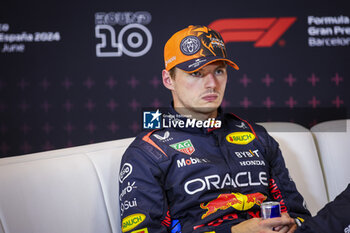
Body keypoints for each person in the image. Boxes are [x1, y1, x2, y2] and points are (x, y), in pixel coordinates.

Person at [118, 25, 311, 233]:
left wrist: (293, 225)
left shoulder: (257, 136)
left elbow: (299, 216)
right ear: (168, 80)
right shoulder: (148, 152)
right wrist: (235, 232)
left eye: (219, 71)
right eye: (196, 73)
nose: (212, 83)